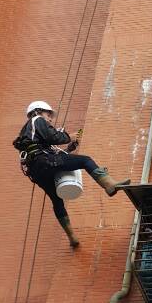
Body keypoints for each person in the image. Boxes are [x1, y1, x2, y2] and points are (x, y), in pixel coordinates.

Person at [13, 101, 129, 248]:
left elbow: (51, 154)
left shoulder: (29, 134)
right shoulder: (37, 120)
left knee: (57, 200)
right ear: (38, 111)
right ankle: (109, 184)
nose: (50, 118)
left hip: (37, 171)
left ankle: (71, 236)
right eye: (49, 114)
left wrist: (69, 149)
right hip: (45, 162)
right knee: (86, 160)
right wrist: (69, 136)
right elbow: (53, 137)